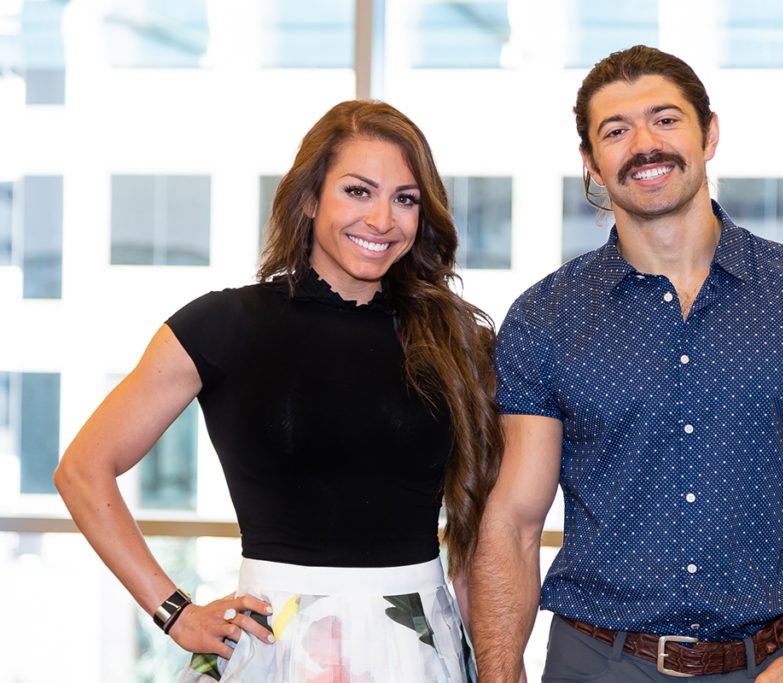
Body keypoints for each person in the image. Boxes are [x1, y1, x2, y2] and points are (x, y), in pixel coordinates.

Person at [469, 45, 783, 682]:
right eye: (616, 130)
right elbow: (513, 521)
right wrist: (500, 675)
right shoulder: (545, 319)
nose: (644, 144)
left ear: (710, 133)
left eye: (665, 120)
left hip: (773, 664)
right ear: (591, 162)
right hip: (598, 660)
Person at [54, 100, 501, 682]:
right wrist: (174, 612)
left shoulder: (458, 342)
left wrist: (498, 663)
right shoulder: (224, 323)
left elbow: (480, 531)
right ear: (311, 198)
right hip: (274, 647)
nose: (382, 220)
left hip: (421, 646)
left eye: (405, 198)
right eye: (358, 192)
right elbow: (83, 469)